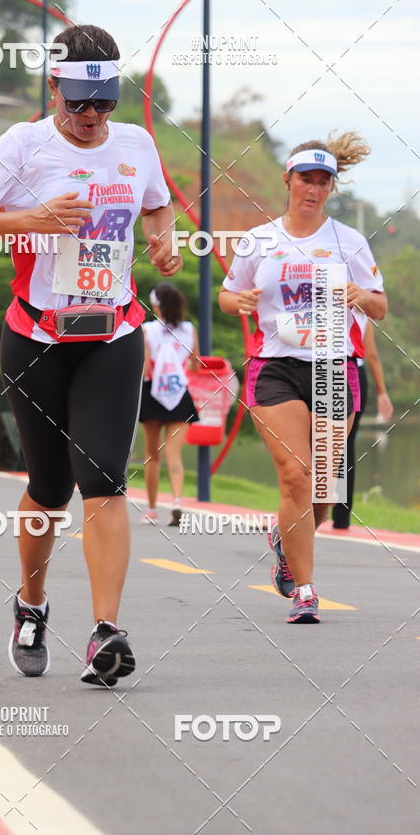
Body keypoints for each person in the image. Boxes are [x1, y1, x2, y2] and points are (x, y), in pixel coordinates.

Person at [0, 25, 180, 686]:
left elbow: (159, 210)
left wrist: (164, 244)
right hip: (38, 339)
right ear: (53, 87)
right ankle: (31, 605)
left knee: (104, 478)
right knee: (49, 490)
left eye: (102, 103)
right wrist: (35, 219)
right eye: (77, 101)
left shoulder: (136, 146)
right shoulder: (23, 145)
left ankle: (107, 631)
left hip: (112, 335)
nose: (89, 117)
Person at [219, 132, 387, 624]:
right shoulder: (260, 239)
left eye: (322, 182)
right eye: (305, 180)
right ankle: (306, 590)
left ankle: (282, 538)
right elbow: (229, 295)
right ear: (287, 181)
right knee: (294, 474)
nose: (312, 190)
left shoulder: (349, 242)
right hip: (275, 367)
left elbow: (379, 305)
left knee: (321, 490)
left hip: (335, 369)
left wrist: (360, 295)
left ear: (331, 188)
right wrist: (241, 302)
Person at [139, 284, 199, 526]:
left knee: (152, 456)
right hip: (178, 394)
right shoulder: (188, 330)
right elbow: (195, 366)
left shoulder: (147, 330)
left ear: (156, 305)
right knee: (174, 455)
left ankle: (152, 510)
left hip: (152, 392)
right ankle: (176, 501)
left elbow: (144, 367)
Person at [332, 323, 393, 529]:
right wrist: (382, 392)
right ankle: (341, 519)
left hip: (325, 371)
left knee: (321, 442)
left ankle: (310, 510)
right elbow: (372, 355)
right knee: (346, 445)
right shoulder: (360, 307)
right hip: (354, 374)